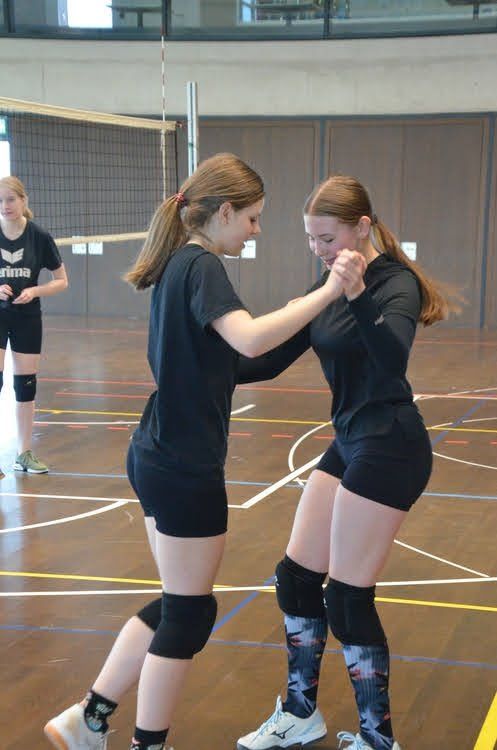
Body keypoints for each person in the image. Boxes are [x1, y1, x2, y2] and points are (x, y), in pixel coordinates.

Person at [43, 153, 344, 750]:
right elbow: (250, 337)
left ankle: (89, 719)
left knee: (183, 605)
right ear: (224, 212)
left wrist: (318, 303)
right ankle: (144, 741)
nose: (256, 230)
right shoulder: (201, 263)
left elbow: (245, 364)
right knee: (187, 613)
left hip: (155, 454)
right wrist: (332, 289)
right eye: (252, 218)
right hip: (183, 467)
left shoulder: (180, 263)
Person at [235, 175, 448, 750]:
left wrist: (355, 293)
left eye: (327, 238)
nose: (319, 250)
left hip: (391, 444)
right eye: (311, 239)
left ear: (362, 227)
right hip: (350, 439)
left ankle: (379, 739)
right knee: (296, 578)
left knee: (348, 598)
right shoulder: (329, 282)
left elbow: (391, 358)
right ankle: (300, 712)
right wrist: (198, 360)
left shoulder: (395, 283)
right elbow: (270, 357)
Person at [0, 176, 68, 477]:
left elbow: (62, 280)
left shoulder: (39, 236)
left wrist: (35, 291)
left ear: (23, 200)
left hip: (27, 318)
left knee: (25, 385)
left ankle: (24, 454)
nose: (5, 206)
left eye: (10, 199)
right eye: (0, 201)